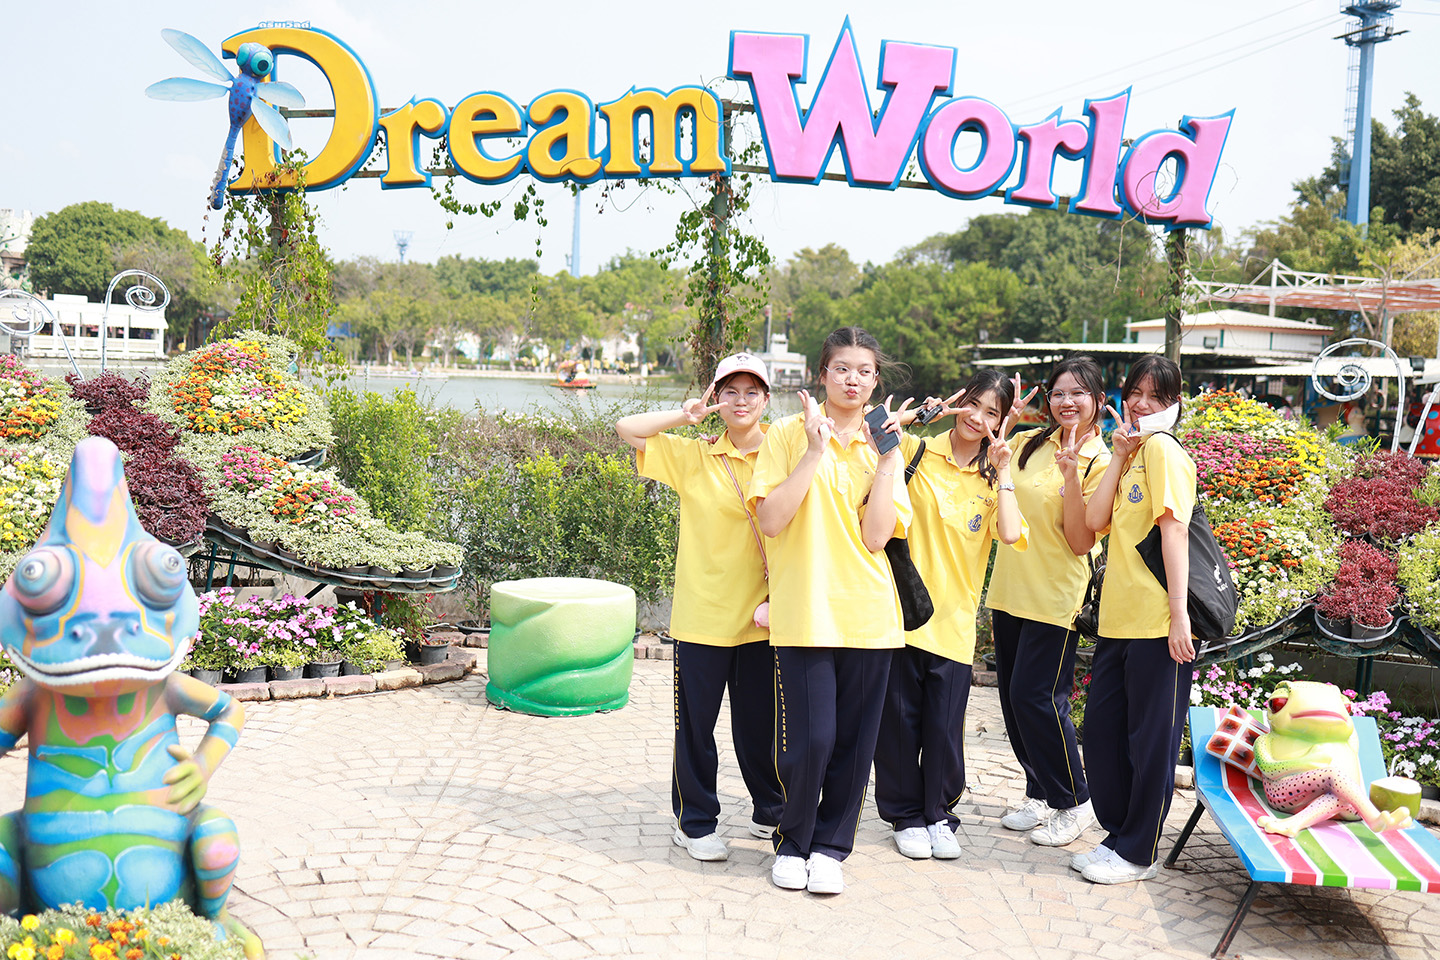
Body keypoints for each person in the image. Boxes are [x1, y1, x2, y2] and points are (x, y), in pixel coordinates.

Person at [749, 326, 910, 895]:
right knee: (811, 740)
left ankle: (830, 848)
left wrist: (888, 461)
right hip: (805, 609)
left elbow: (876, 537)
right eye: (842, 368)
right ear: (822, 375)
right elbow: (771, 520)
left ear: (875, 380)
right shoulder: (787, 434)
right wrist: (815, 452)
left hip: (869, 614)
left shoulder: (885, 441)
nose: (852, 380)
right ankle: (793, 841)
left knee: (853, 745)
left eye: (864, 371)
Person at [615, 353, 784, 862]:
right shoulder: (695, 456)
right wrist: (684, 416)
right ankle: (694, 822)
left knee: (762, 728)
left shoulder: (783, 453)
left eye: (751, 392)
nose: (740, 401)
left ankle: (771, 810)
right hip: (703, 618)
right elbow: (626, 428)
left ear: (766, 399)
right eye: (729, 391)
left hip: (764, 618)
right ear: (716, 397)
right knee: (696, 728)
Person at [874, 369, 1027, 861]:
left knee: (943, 729)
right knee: (898, 725)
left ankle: (939, 813)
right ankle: (904, 816)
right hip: (902, 617)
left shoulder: (994, 479)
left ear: (1001, 422)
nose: (976, 418)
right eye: (972, 404)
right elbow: (871, 427)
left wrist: (1004, 471)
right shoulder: (917, 450)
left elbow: (1009, 533)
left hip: (955, 624)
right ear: (958, 402)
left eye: (991, 413)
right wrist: (924, 415)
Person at [1077, 354, 1197, 884]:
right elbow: (1094, 520)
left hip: (1156, 624)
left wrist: (1179, 616)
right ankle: (1119, 835)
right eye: (1135, 393)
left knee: (1151, 744)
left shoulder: (1166, 450)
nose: (1141, 404)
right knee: (1104, 734)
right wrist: (1119, 457)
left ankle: (1138, 851)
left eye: (1156, 396)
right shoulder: (1135, 451)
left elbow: (1174, 531)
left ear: (1173, 404)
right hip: (1117, 622)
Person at [987, 358, 1112, 848]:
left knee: (1036, 698)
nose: (1067, 402)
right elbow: (994, 479)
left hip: (1057, 595)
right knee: (1012, 700)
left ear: (1098, 400)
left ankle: (1074, 799)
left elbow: (1082, 541)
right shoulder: (1028, 443)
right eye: (1059, 392)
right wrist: (1006, 424)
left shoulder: (1101, 459)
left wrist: (1072, 476)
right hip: (1010, 587)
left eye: (1078, 393)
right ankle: (1039, 790)